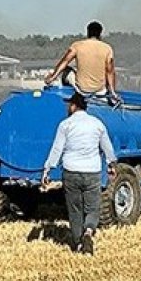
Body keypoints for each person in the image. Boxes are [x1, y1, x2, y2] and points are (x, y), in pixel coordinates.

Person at [41, 93, 116, 254]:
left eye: (69, 105)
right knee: (92, 207)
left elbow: (57, 149)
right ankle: (88, 232)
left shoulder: (65, 125)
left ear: (74, 106)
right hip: (92, 171)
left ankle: (78, 243)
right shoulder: (97, 124)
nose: (68, 107)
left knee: (75, 209)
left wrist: (47, 169)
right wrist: (111, 164)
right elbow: (107, 148)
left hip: (71, 171)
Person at [45, 21, 116, 97]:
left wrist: (52, 78)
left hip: (83, 90)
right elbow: (110, 72)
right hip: (100, 91)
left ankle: (73, 97)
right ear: (100, 33)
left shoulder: (77, 46)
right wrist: (112, 92)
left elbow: (65, 62)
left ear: (88, 32)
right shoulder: (107, 48)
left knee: (66, 70)